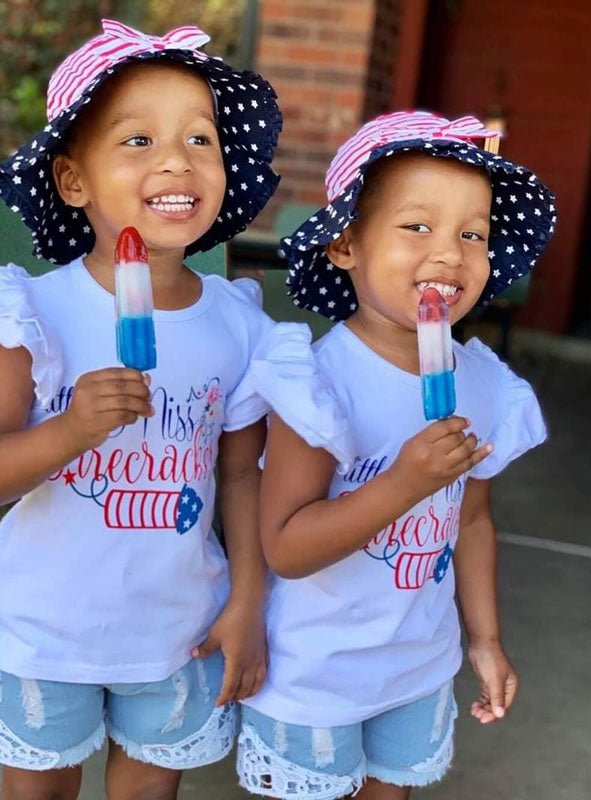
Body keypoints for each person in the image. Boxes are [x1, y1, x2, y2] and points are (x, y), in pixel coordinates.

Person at [0, 17, 284, 800]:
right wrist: (70, 429)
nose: (176, 160)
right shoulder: (31, 313)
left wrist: (248, 603)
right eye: (137, 141)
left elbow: (243, 477)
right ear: (72, 180)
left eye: (201, 140)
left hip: (179, 631)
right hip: (42, 631)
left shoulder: (237, 322)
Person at [237, 111, 555, 800]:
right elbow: (288, 547)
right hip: (316, 669)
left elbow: (470, 523)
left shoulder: (481, 383)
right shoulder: (320, 383)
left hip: (418, 664)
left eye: (473, 234)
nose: (450, 254)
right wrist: (405, 482)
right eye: (418, 227)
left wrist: (486, 641)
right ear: (346, 245)